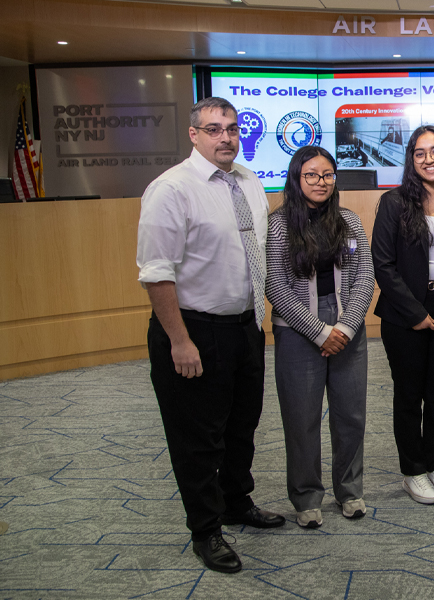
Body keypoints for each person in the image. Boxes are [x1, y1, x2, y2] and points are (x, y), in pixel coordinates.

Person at [137, 97, 285, 574]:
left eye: (232, 128)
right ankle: (206, 530)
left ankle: (236, 503)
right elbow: (157, 273)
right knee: (198, 439)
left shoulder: (248, 180)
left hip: (244, 327)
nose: (226, 137)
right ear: (194, 135)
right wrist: (179, 340)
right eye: (214, 129)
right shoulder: (171, 189)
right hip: (193, 331)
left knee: (241, 428)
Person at [265, 146, 374, 529]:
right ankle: (307, 496)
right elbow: (276, 286)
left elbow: (365, 277)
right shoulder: (279, 225)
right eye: (311, 175)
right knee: (301, 418)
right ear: (296, 179)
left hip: (348, 326)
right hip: (297, 329)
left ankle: (350, 490)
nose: (320, 182)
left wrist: (344, 327)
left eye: (327, 174)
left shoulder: (349, 221)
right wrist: (318, 330)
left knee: (350, 415)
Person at [371, 125, 434, 504]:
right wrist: (414, 313)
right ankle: (413, 470)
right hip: (404, 314)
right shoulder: (395, 202)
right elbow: (383, 264)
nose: (429, 159)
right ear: (411, 159)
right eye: (420, 153)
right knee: (408, 394)